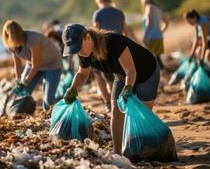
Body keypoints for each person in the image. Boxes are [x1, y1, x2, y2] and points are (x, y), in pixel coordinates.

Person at [61, 24, 160, 155]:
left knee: (142, 114)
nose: (78, 52)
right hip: (122, 75)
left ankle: (145, 148)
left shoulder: (113, 42)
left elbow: (131, 70)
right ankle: (117, 152)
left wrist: (128, 87)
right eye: (74, 49)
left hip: (147, 72)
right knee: (116, 111)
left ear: (88, 37)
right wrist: (72, 89)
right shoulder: (83, 53)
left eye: (78, 47)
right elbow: (82, 73)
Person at [2, 20, 62, 111]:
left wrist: (24, 82)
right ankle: (24, 111)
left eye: (14, 33)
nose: (12, 36)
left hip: (52, 65)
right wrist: (19, 81)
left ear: (19, 31)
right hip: (32, 65)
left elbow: (36, 65)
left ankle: (56, 107)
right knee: (23, 92)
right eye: (10, 34)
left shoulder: (32, 39)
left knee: (48, 100)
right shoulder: (11, 44)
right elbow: (18, 65)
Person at [92, 0, 134, 112]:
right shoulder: (119, 12)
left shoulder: (98, 13)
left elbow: (96, 33)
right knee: (118, 75)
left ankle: (108, 102)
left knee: (98, 73)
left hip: (104, 48)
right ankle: (118, 102)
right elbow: (126, 31)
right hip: (119, 47)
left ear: (99, 1)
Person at [141, 0, 169, 69]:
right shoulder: (158, 9)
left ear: (144, 1)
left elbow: (149, 23)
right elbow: (166, 22)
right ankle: (163, 71)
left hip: (151, 36)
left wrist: (145, 35)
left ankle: (155, 73)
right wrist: (161, 31)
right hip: (158, 36)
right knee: (157, 56)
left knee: (148, 56)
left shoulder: (148, 7)